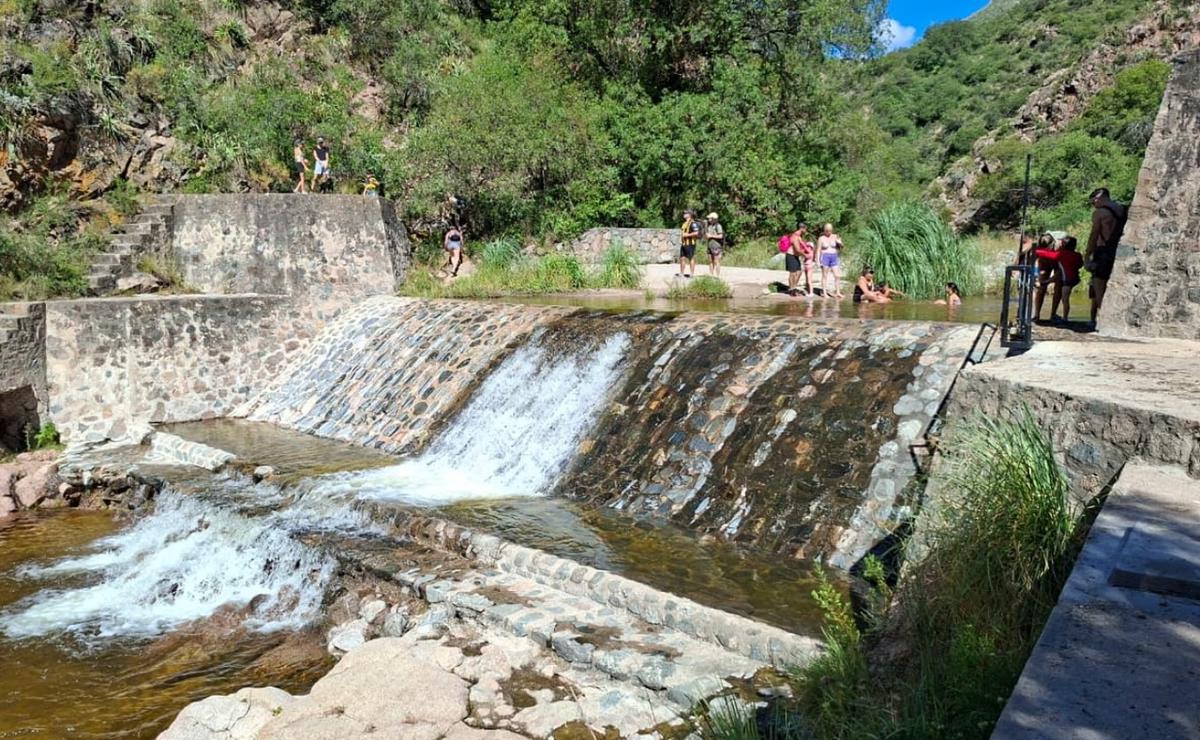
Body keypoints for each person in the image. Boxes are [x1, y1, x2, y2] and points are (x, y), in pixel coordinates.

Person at [1084, 187, 1127, 328]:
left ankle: (1103, 320)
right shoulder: (1122, 209)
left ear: (1099, 198)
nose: (1093, 205)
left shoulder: (1100, 213)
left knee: (1099, 284)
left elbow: (1094, 235)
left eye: (1093, 201)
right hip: (1120, 252)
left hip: (1103, 252)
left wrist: (1087, 255)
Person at [1046, 236, 1084, 322]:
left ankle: (1065, 318)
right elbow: (1080, 265)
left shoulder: (1061, 254)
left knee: (1065, 298)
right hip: (1074, 278)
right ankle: (1064, 317)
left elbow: (1048, 255)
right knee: (1065, 297)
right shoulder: (1077, 255)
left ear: (1063, 245)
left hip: (1066, 279)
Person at [1032, 233, 1061, 322]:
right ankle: (1037, 315)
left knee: (1058, 287)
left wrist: (1049, 281)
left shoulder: (1058, 247)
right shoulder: (1037, 247)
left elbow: (1060, 271)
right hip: (1044, 263)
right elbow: (1034, 262)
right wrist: (1037, 277)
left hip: (1057, 262)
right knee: (1041, 289)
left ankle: (1053, 314)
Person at [817, 223, 844, 298]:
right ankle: (824, 292)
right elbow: (818, 250)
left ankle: (838, 292)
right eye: (827, 230)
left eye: (830, 230)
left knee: (837, 275)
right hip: (825, 256)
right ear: (824, 230)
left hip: (834, 256)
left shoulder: (835, 236)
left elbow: (842, 247)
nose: (828, 232)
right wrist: (818, 261)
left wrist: (840, 243)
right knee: (825, 275)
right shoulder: (821, 238)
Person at [679, 209, 701, 278]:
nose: (684, 214)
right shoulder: (684, 223)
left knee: (691, 258)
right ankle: (682, 273)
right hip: (684, 244)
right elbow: (683, 233)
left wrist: (687, 235)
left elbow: (696, 233)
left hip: (690, 244)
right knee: (682, 258)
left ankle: (691, 274)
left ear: (689, 215)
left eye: (685, 213)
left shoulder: (693, 223)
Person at [704, 212, 724, 277]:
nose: (708, 219)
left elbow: (720, 236)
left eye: (710, 218)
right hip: (710, 245)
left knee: (716, 261)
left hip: (716, 246)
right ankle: (711, 275)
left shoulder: (718, 226)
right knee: (710, 261)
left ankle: (717, 276)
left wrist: (711, 236)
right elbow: (707, 236)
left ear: (713, 219)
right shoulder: (709, 226)